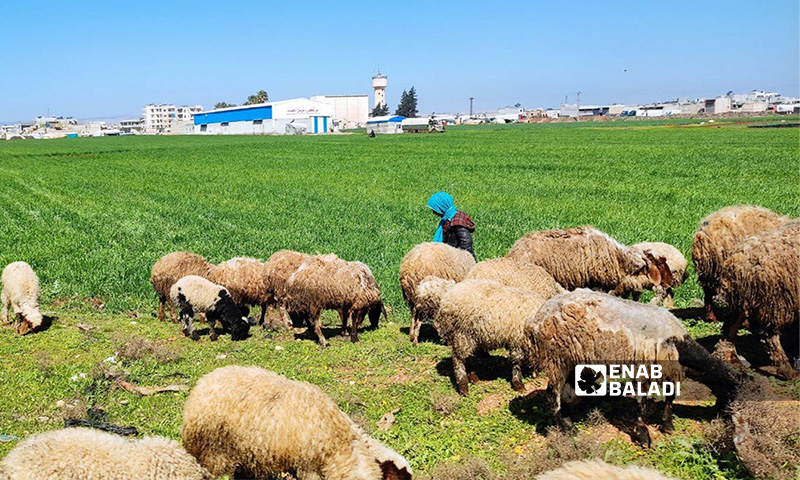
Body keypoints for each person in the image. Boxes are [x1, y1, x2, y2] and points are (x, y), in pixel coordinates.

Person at [426, 191, 476, 258]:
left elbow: (466, 243)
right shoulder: (448, 218)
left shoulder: (457, 222)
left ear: (442, 207)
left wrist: (460, 260)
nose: (433, 212)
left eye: (435, 209)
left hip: (458, 259)